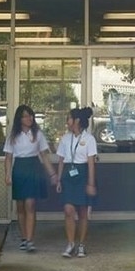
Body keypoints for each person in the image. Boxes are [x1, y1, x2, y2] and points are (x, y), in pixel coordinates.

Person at [4, 104, 58, 252]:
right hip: (19, 169)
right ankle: (23, 238)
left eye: (31, 115)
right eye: (26, 116)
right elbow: (8, 157)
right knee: (20, 207)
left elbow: (44, 155)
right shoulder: (13, 135)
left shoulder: (38, 133)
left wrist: (53, 174)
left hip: (33, 167)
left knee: (31, 204)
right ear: (19, 119)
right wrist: (7, 174)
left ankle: (29, 240)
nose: (30, 118)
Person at [56, 107, 97, 258]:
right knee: (68, 210)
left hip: (83, 174)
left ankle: (81, 244)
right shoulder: (65, 138)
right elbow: (60, 160)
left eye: (69, 118)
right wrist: (59, 179)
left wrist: (91, 183)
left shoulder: (89, 139)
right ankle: (70, 243)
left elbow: (91, 162)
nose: (67, 121)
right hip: (68, 175)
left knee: (82, 212)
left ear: (77, 121)